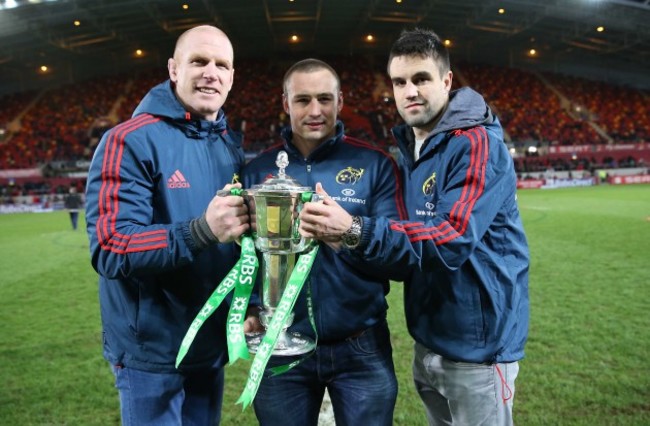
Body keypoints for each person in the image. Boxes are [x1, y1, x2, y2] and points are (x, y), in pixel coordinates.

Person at [298, 28, 530, 426]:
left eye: (421, 78)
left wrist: (354, 228)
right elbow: (405, 244)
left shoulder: (475, 143)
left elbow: (450, 239)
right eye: (400, 82)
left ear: (446, 80)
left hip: (479, 346)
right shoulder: (413, 147)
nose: (410, 91)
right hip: (430, 339)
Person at [85, 25, 252, 425]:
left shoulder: (229, 144)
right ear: (174, 69)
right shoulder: (128, 140)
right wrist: (200, 231)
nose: (211, 72)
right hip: (152, 353)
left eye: (222, 64)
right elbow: (110, 246)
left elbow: (238, 240)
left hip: (209, 345)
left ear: (231, 78)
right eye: (199, 61)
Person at [242, 58, 406, 426]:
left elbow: (400, 260)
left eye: (324, 99)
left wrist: (348, 232)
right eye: (302, 100)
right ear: (285, 104)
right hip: (281, 344)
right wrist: (253, 305)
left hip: (361, 346)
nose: (315, 111)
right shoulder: (257, 172)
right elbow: (246, 255)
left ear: (341, 101)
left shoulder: (375, 164)